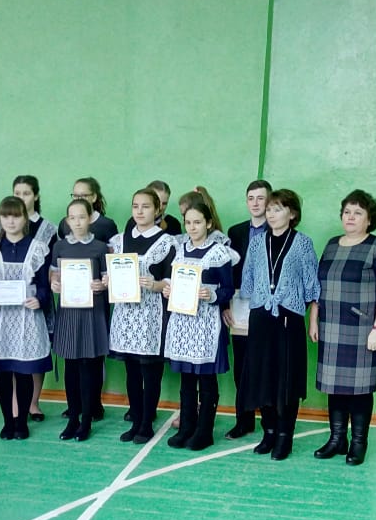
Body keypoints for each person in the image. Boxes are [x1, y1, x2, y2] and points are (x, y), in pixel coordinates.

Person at [311, 190, 376, 466]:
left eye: (358, 213)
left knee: (360, 389)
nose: (350, 217)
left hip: (362, 331)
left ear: (369, 219)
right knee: (334, 387)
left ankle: (359, 443)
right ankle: (337, 439)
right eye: (347, 212)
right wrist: (314, 319)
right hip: (330, 327)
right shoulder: (331, 245)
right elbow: (318, 286)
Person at [239, 188, 319, 461]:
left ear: (292, 213)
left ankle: (285, 436)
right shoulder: (256, 242)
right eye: (269, 209)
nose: (271, 214)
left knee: (286, 379)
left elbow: (311, 285)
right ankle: (269, 431)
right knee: (262, 376)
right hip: (261, 317)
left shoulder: (303, 243)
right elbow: (248, 278)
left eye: (278, 209)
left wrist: (310, 318)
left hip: (289, 319)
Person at [0, 196, 53, 440]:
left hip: (26, 318)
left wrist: (39, 299)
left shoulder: (38, 248)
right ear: (0, 219)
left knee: (23, 371)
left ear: (24, 218)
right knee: (3, 371)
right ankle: (8, 421)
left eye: (16, 216)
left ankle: (22, 422)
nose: (10, 221)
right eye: (5, 216)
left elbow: (44, 285)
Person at [163, 200, 236, 451]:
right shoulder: (179, 249)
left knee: (206, 379)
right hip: (183, 322)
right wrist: (168, 290)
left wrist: (212, 295)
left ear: (208, 223)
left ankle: (205, 431)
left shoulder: (219, 253)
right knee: (186, 380)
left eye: (197, 222)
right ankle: (186, 427)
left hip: (206, 324)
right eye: (188, 222)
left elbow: (228, 289)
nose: (192, 227)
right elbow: (171, 280)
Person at [108, 187, 175, 444]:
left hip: (150, 315)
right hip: (126, 314)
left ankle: (147, 423)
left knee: (150, 372)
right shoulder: (119, 240)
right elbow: (112, 273)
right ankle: (135, 419)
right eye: (135, 206)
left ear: (157, 210)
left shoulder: (167, 242)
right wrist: (108, 279)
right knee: (132, 371)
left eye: (146, 206)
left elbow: (170, 282)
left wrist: (156, 285)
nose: (139, 211)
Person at [50, 198, 110, 441]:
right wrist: (54, 284)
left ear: (90, 219)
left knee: (89, 366)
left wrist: (102, 285)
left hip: (92, 312)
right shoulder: (60, 247)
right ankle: (72, 418)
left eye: (82, 217)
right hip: (68, 312)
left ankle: (86, 420)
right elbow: (54, 275)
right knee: (71, 367)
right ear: (67, 220)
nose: (77, 222)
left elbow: (107, 279)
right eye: (72, 218)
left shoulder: (100, 248)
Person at [223, 179, 272, 440]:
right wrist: (224, 305)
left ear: (270, 201)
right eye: (251, 198)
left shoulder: (277, 231)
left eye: (260, 198)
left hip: (268, 308)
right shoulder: (236, 232)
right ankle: (244, 420)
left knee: (265, 365)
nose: (255, 203)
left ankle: (270, 423)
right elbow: (227, 271)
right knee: (241, 365)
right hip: (239, 306)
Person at [12, 175, 59, 422]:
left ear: (36, 196)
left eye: (26, 193)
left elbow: (52, 266)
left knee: (37, 350)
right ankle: (15, 404)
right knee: (13, 351)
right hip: (12, 301)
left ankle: (33, 403)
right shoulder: (3, 225)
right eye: (17, 193)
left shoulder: (48, 229)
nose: (21, 198)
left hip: (38, 298)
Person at [57, 177, 119, 243]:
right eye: (75, 195)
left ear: (94, 197)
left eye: (84, 195)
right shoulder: (64, 223)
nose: (79, 199)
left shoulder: (106, 224)